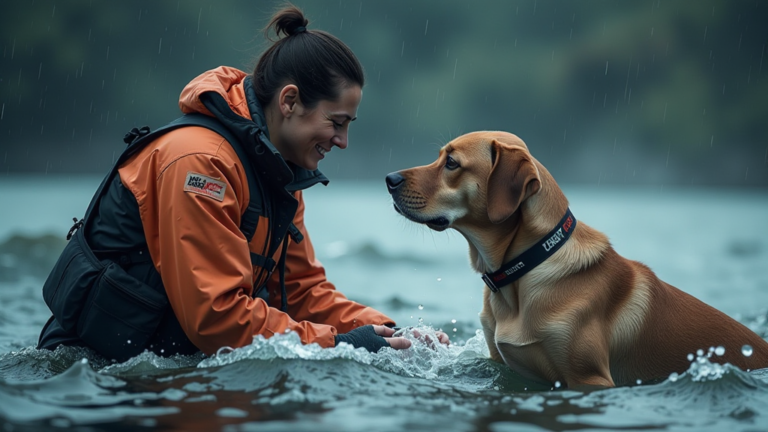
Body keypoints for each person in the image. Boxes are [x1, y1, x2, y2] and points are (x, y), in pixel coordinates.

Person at [37, 5, 448, 361]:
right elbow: (215, 318)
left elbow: (302, 292)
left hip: (165, 373)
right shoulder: (200, 163)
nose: (342, 141)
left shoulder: (280, 173)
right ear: (288, 102)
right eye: (336, 123)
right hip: (96, 382)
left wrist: (392, 335)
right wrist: (343, 345)